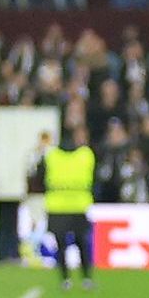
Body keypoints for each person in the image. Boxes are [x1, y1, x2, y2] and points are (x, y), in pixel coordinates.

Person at [42, 115, 102, 285]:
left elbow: (40, 176)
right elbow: (95, 179)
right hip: (79, 205)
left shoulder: (51, 155)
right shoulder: (86, 155)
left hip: (57, 206)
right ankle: (87, 278)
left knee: (60, 244)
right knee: (82, 242)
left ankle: (65, 279)